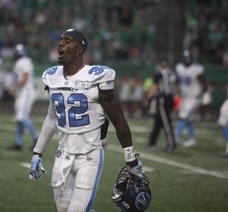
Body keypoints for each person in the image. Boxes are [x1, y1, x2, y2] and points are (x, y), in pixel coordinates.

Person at [28, 28, 145, 212]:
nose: (60, 44)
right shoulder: (52, 77)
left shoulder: (97, 77)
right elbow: (52, 117)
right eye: (60, 40)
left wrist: (131, 159)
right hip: (63, 154)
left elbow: (118, 120)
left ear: (79, 49)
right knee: (64, 209)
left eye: (67, 41)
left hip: (89, 155)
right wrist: (37, 152)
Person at [6, 44, 39, 151]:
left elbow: (25, 78)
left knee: (21, 117)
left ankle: (37, 138)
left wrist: (14, 87)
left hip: (26, 92)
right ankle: (18, 143)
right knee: (19, 119)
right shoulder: (22, 62)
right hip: (22, 92)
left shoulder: (24, 61)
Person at [174, 50, 207, 147]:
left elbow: (203, 80)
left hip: (194, 97)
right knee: (188, 118)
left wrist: (205, 92)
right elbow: (177, 80)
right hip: (184, 97)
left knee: (182, 116)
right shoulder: (179, 68)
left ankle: (175, 138)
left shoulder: (197, 68)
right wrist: (176, 92)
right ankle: (192, 138)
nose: (187, 60)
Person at [144, 57, 177, 151]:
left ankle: (172, 144)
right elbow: (174, 86)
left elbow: (155, 86)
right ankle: (152, 143)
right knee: (158, 122)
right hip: (169, 97)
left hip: (163, 99)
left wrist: (147, 98)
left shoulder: (159, 72)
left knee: (166, 122)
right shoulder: (170, 72)